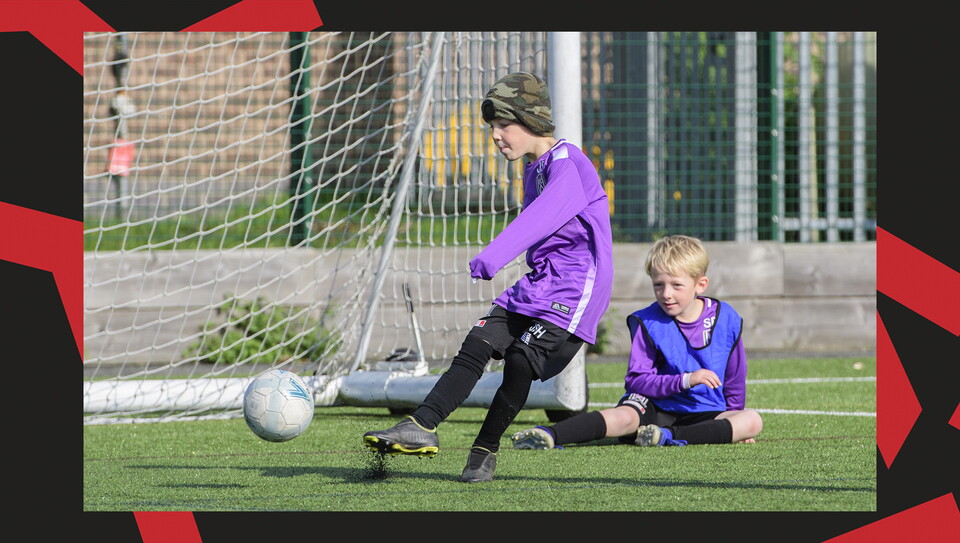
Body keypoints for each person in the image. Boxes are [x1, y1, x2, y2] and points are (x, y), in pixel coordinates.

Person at [362, 72, 614, 482]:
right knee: (478, 341)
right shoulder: (536, 167)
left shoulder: (568, 163)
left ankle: (484, 451)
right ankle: (421, 425)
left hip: (575, 289)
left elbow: (542, 217)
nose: (496, 135)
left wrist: (495, 255)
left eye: (504, 124)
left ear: (532, 120)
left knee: (518, 360)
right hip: (540, 282)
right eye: (492, 127)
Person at [511, 234, 762, 451]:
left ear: (700, 284)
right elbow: (636, 381)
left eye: (677, 285)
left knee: (752, 420)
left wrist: (735, 419)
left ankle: (667, 437)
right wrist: (685, 380)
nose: (666, 294)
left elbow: (735, 377)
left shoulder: (726, 318)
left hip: (704, 412)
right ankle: (549, 435)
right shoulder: (647, 322)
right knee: (623, 416)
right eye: (658, 285)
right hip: (655, 407)